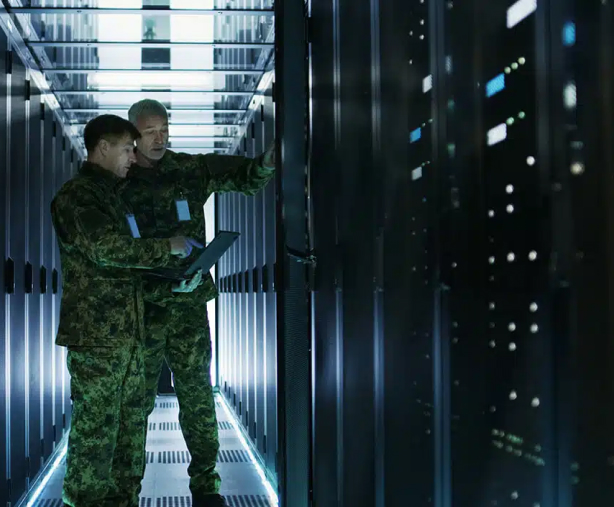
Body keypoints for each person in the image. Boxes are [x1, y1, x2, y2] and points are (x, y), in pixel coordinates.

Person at [117, 99, 276, 507]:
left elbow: (246, 177)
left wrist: (272, 159)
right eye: (150, 131)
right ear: (133, 135)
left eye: (164, 129)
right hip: (143, 309)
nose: (160, 138)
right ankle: (125, 491)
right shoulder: (118, 179)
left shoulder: (190, 169)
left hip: (188, 307)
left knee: (197, 398)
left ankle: (206, 489)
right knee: (135, 403)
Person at [51, 114, 201, 507]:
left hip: (130, 334)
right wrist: (166, 245)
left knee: (130, 429)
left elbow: (127, 267)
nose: (133, 158)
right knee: (96, 434)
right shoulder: (78, 196)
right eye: (126, 149)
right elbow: (106, 250)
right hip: (98, 340)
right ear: (102, 148)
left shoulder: (112, 197)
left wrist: (173, 278)